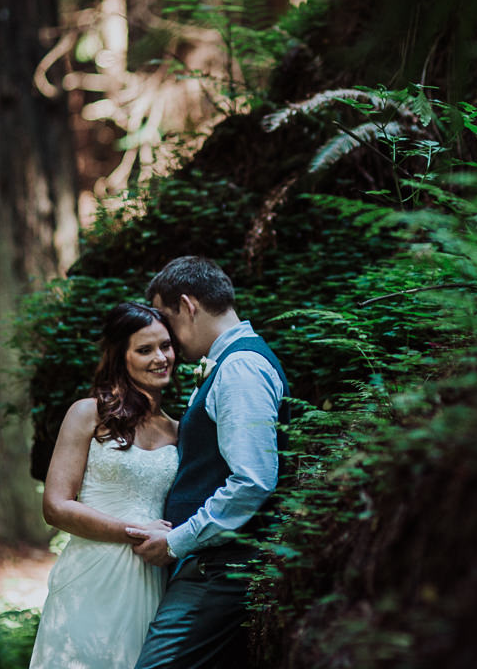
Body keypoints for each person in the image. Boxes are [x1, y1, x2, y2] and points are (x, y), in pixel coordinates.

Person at [127, 256, 289, 669]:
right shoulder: (232, 363)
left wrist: (177, 540)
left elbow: (253, 480)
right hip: (213, 564)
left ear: (188, 305)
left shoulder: (239, 369)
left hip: (220, 570)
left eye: (166, 318)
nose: (167, 336)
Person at [29, 302, 180, 669]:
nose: (160, 358)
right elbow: (56, 507)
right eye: (145, 350)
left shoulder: (179, 430)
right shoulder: (88, 414)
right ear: (120, 357)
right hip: (92, 572)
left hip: (150, 576)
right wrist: (133, 531)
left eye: (165, 346)